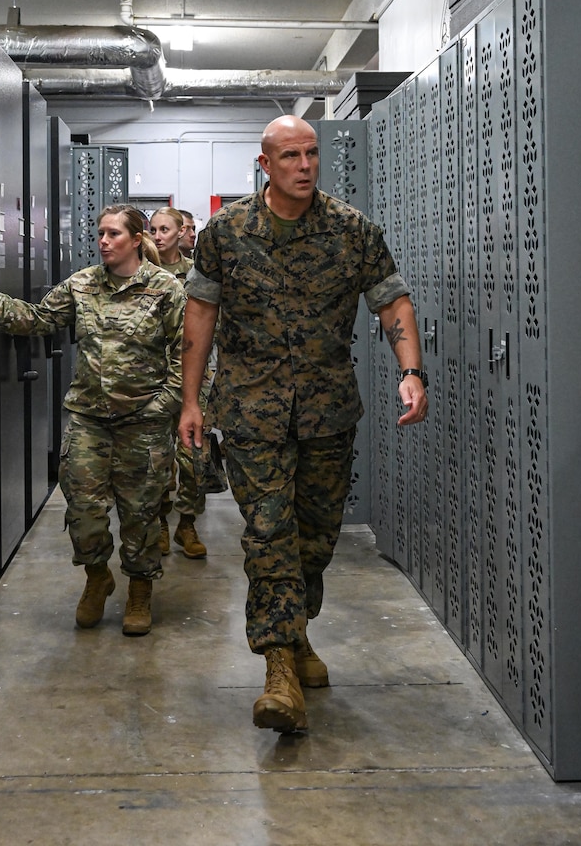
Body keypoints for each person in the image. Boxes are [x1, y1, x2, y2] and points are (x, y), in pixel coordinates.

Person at [178, 114, 428, 733]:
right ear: (266, 164)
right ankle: (279, 670)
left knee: (315, 537)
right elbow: (200, 315)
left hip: (327, 411)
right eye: (290, 155)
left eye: (312, 153)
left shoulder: (351, 230)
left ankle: (297, 635)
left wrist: (411, 369)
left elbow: (392, 300)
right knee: (268, 533)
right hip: (250, 412)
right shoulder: (226, 233)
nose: (305, 165)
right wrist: (191, 402)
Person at [0, 204, 185, 637]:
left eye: (112, 234)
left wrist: (165, 406)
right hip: (89, 419)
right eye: (100, 234)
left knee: (140, 513)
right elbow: (38, 319)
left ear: (136, 239)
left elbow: (185, 353)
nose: (103, 241)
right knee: (83, 511)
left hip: (143, 423)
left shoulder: (165, 289)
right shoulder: (82, 285)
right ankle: (97, 577)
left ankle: (140, 590)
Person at [149, 206, 210, 559]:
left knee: (193, 455)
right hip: (152, 375)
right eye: (154, 229)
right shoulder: (141, 271)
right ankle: (159, 521)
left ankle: (187, 523)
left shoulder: (195, 275)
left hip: (189, 374)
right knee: (156, 456)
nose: (159, 236)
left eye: (165, 229)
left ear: (180, 232)